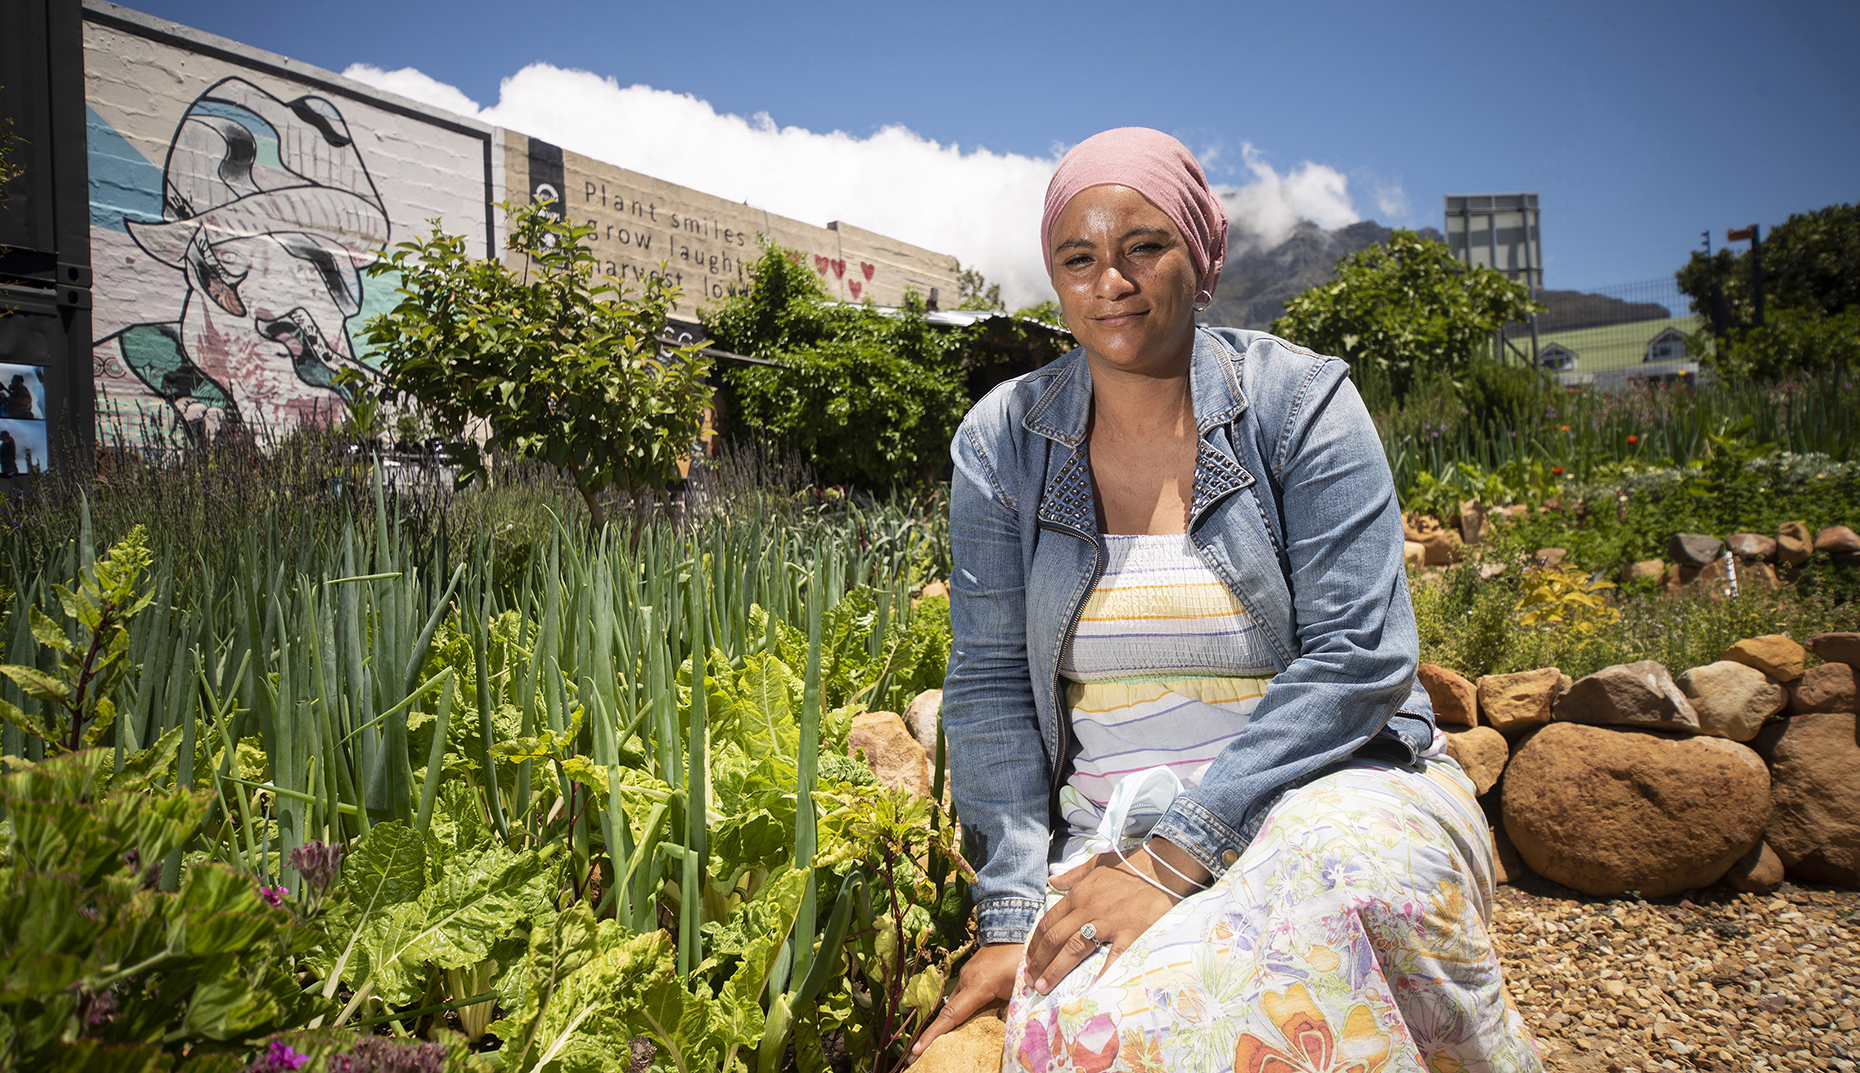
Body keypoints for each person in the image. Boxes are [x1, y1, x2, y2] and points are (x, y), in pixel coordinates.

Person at [913, 128, 1540, 1072]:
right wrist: (1007, 916)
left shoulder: (1299, 404)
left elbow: (1358, 657)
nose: (1109, 281)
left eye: (1144, 247)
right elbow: (995, 684)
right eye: (1077, 258)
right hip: (1112, 816)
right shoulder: (1004, 441)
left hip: (1332, 782)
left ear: (1202, 261)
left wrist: (1178, 857)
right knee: (1115, 1029)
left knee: (1342, 899)